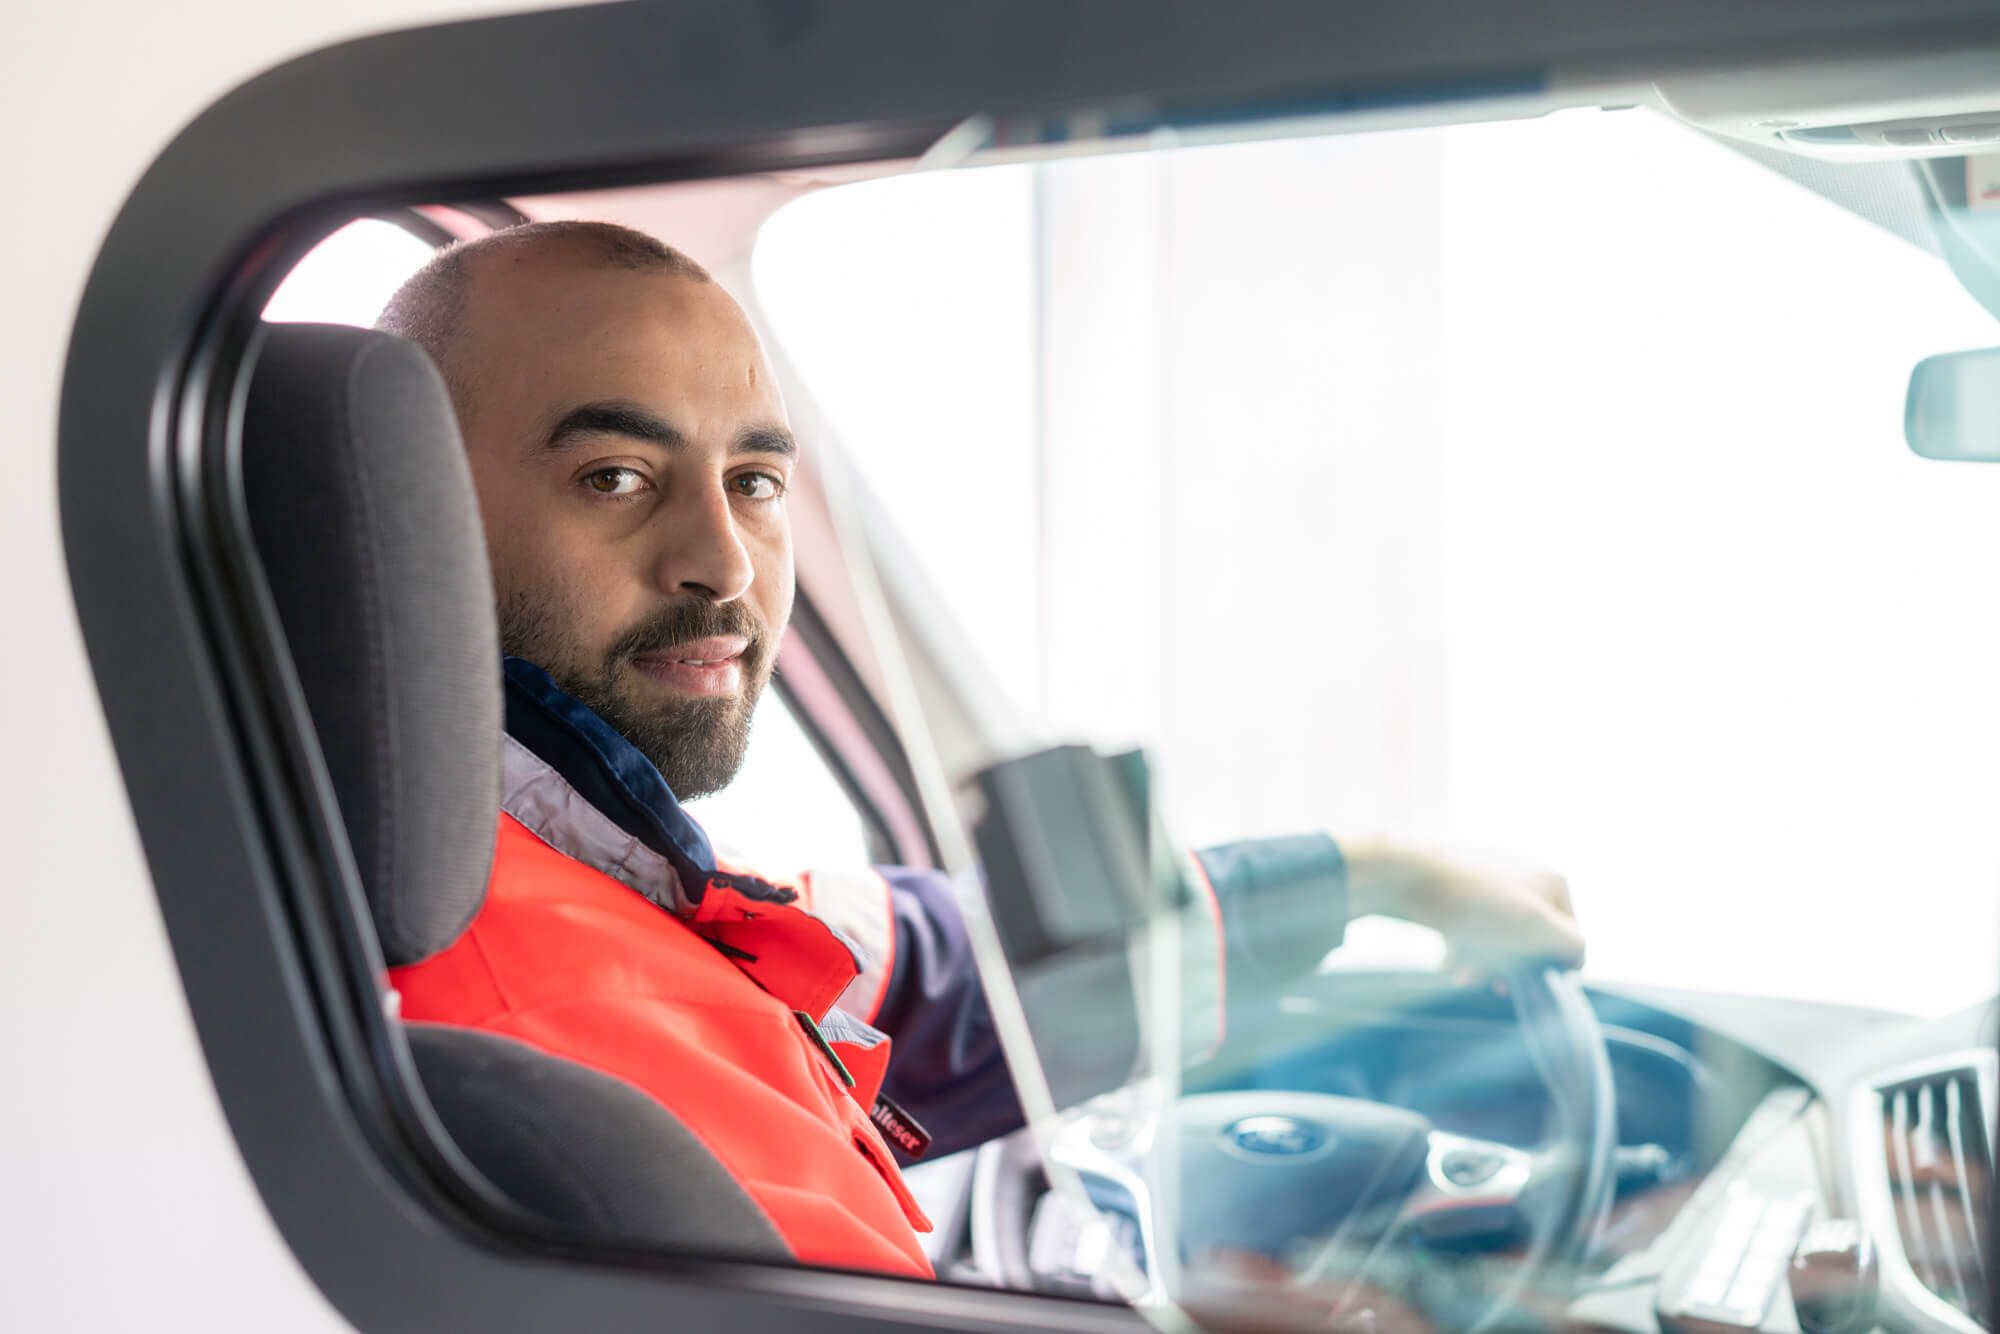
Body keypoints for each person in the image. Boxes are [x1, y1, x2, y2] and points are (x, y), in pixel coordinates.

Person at [375, 220, 1584, 1279]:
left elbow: (943, 972)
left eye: (753, 479)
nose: (726, 561)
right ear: (404, 509)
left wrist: (1370, 876)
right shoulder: (541, 1016)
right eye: (615, 476)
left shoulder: (559, 853)